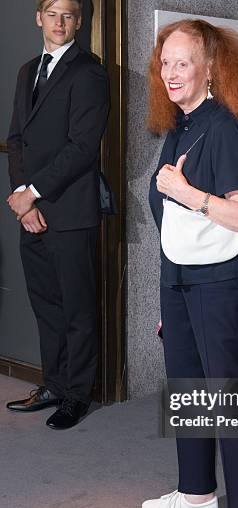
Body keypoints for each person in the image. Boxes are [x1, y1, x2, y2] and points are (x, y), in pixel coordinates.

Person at [142, 19, 238, 508]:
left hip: (222, 285)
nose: (171, 72)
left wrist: (191, 195)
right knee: (187, 391)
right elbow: (168, 215)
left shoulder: (227, 129)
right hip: (182, 282)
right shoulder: (180, 126)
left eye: (183, 61)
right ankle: (197, 495)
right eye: (164, 62)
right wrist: (167, 295)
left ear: (212, 66)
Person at [6, 0, 109, 428]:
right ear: (39, 18)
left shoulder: (89, 72)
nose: (60, 22)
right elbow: (17, 139)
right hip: (32, 211)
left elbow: (82, 148)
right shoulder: (28, 70)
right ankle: (54, 383)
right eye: (53, 14)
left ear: (79, 22)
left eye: (68, 15)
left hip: (70, 211)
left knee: (77, 308)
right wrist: (21, 197)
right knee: (46, 305)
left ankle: (77, 395)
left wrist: (32, 193)